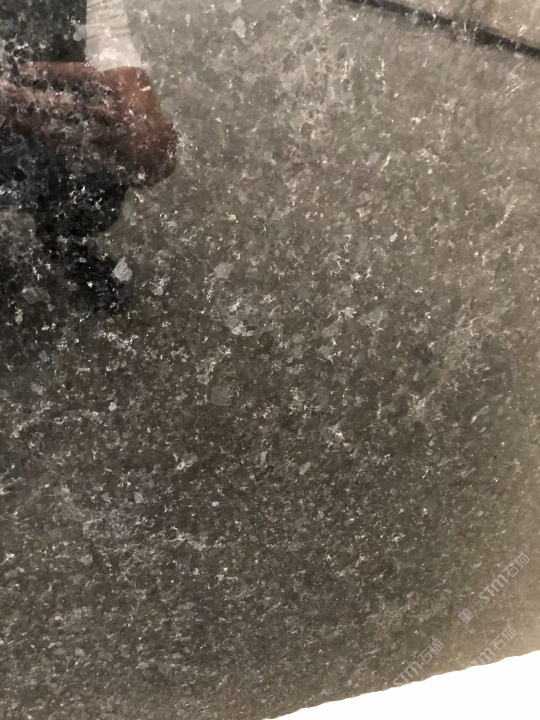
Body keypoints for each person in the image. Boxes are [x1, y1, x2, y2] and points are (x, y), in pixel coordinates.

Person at [0, 0, 177, 310]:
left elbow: (152, 150)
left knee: (109, 131)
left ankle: (64, 238)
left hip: (33, 127)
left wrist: (144, 136)